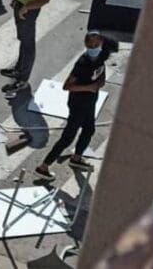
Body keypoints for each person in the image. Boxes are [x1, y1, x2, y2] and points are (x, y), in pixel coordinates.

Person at [35, 31, 116, 181]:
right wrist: (89, 88)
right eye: (91, 45)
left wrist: (99, 84)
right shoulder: (82, 63)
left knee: (89, 129)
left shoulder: (101, 57)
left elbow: (101, 74)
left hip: (90, 101)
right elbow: (67, 86)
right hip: (78, 103)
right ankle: (43, 166)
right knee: (68, 137)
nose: (94, 47)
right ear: (86, 45)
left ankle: (77, 157)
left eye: (97, 44)